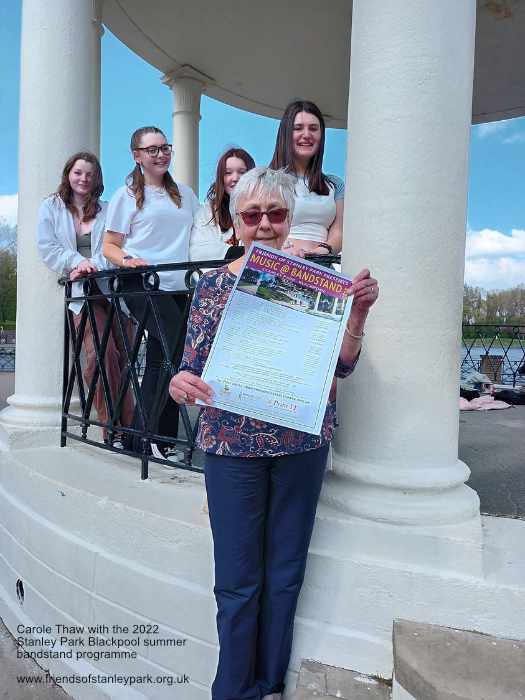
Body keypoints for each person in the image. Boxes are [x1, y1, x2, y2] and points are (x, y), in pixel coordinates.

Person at [169, 167, 378, 700]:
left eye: (276, 213)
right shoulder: (213, 287)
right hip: (232, 447)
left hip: (300, 445)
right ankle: (233, 690)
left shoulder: (318, 282)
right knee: (237, 582)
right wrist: (178, 383)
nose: (264, 223)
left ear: (290, 220)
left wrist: (356, 313)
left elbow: (342, 367)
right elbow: (189, 367)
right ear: (235, 222)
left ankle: (269, 684)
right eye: (252, 214)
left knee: (285, 574)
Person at [103, 126, 200, 458]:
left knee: (165, 359)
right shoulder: (126, 195)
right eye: (152, 149)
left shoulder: (185, 194)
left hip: (178, 287)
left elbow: (199, 236)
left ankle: (157, 440)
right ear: (137, 156)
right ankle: (147, 437)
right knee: (174, 352)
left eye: (165, 147)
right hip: (143, 284)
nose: (161, 154)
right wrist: (131, 261)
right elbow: (109, 246)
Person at [37, 152, 134, 440]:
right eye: (78, 172)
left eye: (90, 174)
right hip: (82, 293)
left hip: (111, 289)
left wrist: (95, 264)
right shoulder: (52, 207)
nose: (84, 178)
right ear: (69, 174)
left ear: (97, 179)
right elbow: (47, 247)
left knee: (124, 356)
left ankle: (129, 427)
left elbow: (115, 245)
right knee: (101, 354)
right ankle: (112, 427)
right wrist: (76, 262)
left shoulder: (106, 210)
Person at [270, 99, 344, 257]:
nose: (306, 135)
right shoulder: (269, 180)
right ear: (286, 134)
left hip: (322, 270)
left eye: (313, 128)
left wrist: (322, 251)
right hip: (281, 265)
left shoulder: (335, 184)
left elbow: (339, 231)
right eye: (298, 128)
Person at [189, 147, 255, 261]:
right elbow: (198, 251)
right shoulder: (208, 212)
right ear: (221, 178)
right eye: (228, 173)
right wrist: (243, 254)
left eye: (242, 172)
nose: (235, 178)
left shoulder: (264, 210)